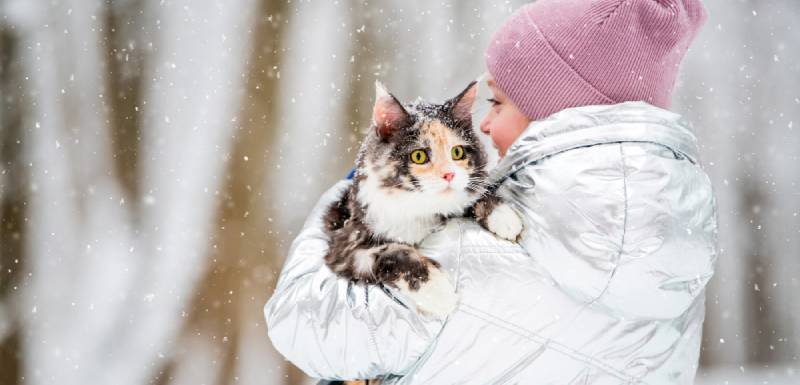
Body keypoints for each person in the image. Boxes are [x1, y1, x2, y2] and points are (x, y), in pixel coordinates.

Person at [264, 0, 717, 383]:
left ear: (553, 110)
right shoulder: (680, 258)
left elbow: (301, 322)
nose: (483, 123)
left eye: (497, 102)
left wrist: (343, 202)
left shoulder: (466, 256)